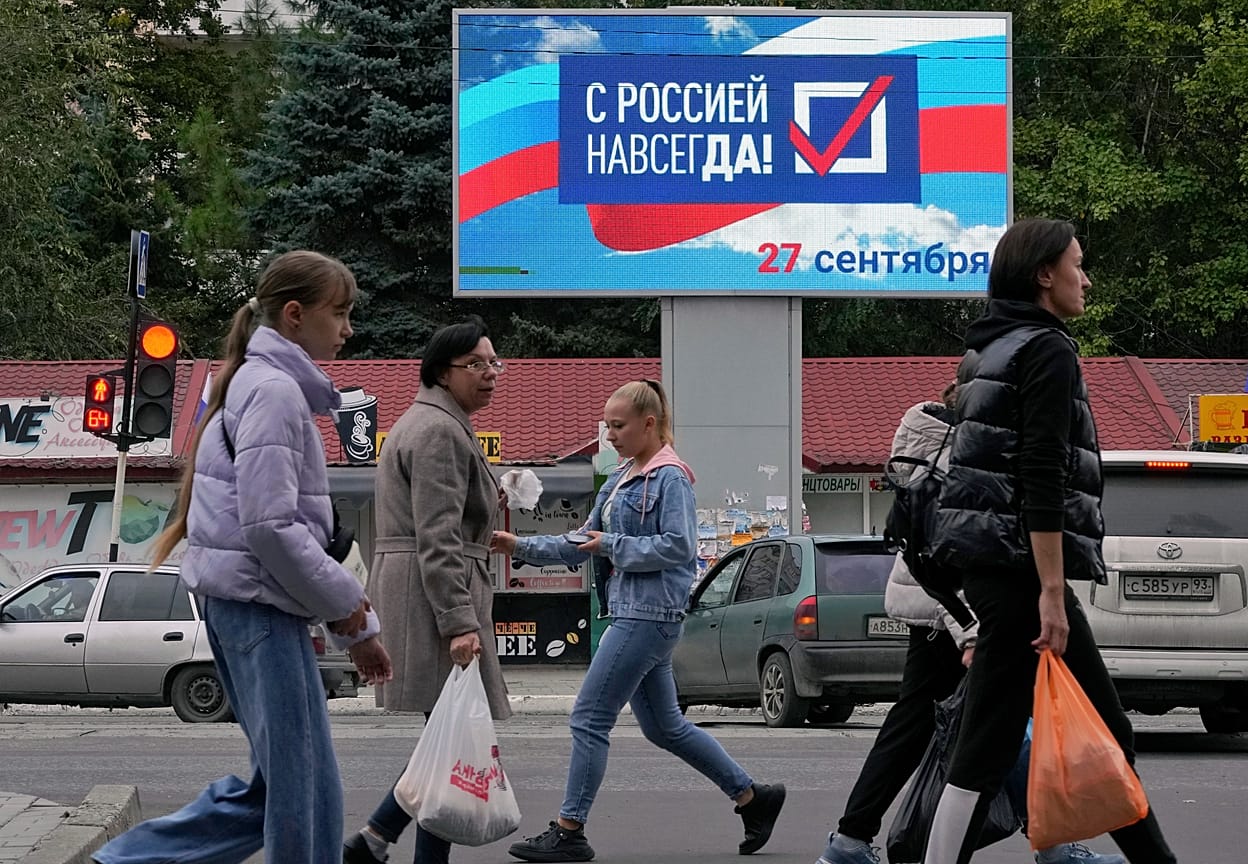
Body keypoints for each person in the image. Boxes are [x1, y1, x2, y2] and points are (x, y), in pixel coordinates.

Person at [94, 250, 393, 864]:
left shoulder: (249, 382)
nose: (348, 328)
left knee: (285, 787)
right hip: (258, 608)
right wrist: (351, 613)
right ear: (293, 315)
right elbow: (270, 527)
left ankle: (121, 860)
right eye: (339, 313)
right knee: (301, 791)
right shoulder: (276, 392)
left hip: (245, 604)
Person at [921, 219, 1178, 864]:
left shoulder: (986, 350)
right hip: (1021, 574)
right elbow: (1041, 475)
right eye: (1078, 265)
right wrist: (1054, 594)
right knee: (990, 743)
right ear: (1044, 274)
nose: (1085, 279)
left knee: (1050, 731)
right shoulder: (1047, 349)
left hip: (991, 565)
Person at [816, 388, 1125, 864]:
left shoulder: (925, 441)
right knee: (1008, 728)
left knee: (914, 726)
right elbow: (960, 552)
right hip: (961, 615)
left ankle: (849, 841)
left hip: (934, 611)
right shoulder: (962, 455)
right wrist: (973, 631)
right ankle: (1052, 847)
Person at [493, 380, 786, 863]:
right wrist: (519, 546)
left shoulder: (670, 478)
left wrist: (611, 546)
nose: (609, 435)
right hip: (634, 612)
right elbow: (581, 538)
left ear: (649, 423)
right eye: (607, 425)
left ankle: (570, 830)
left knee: (588, 718)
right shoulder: (624, 476)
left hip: (648, 616)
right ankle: (753, 797)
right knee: (665, 727)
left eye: (618, 425)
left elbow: (679, 546)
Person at [344, 317, 512, 864]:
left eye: (494, 363)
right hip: (434, 591)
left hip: (423, 584)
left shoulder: (431, 420)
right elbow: (437, 536)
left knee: (444, 737)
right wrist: (459, 621)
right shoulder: (440, 430)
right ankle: (379, 841)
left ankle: (373, 839)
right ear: (444, 371)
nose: (491, 374)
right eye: (478, 365)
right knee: (449, 737)